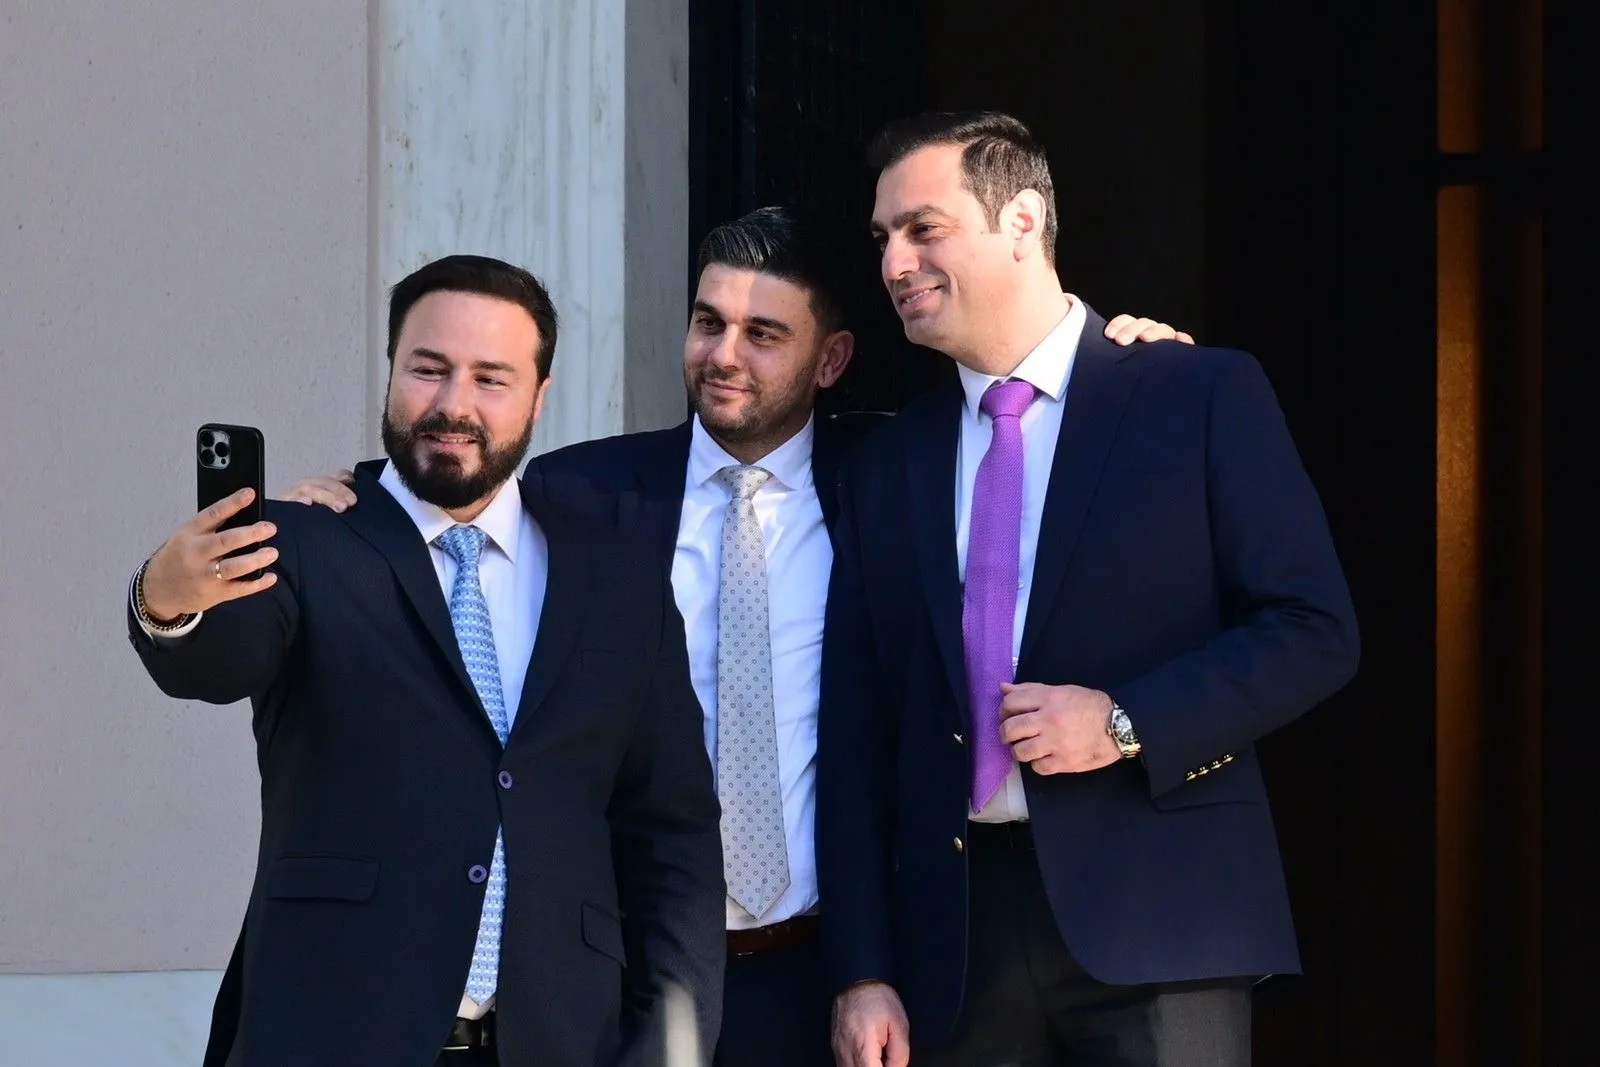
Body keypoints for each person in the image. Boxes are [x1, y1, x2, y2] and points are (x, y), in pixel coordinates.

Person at [284, 209, 1187, 1066]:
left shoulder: (891, 481)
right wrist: (350, 496)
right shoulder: (579, 492)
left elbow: (1034, 436)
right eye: (708, 322)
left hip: (824, 974)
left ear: (831, 359)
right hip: (624, 977)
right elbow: (453, 486)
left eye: (763, 334)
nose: (722, 354)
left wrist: (1128, 368)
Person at [818, 111, 1360, 1067]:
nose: (895, 262)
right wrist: (862, 967)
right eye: (884, 238)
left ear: (1023, 220)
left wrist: (1123, 722)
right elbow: (858, 727)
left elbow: (1313, 629)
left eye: (923, 228)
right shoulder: (890, 461)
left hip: (1164, 920)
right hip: (956, 947)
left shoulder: (1194, 394)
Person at [125, 255, 725, 1067]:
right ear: (391, 372)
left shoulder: (619, 580)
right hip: (330, 1038)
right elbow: (218, 661)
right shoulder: (308, 537)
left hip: (559, 1042)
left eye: (491, 378)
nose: (453, 405)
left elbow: (672, 836)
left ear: (540, 396)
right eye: (428, 369)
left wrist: (667, 1050)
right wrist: (164, 598)